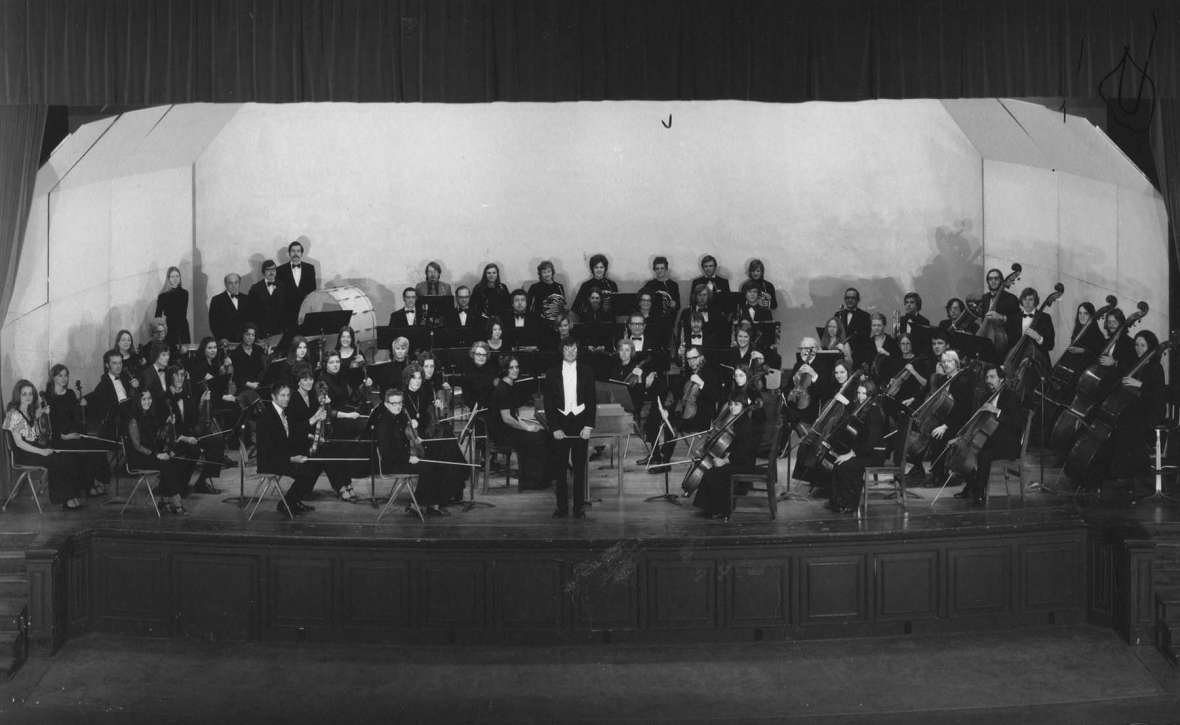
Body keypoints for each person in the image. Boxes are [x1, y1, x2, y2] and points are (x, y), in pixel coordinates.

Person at [952, 365, 1025, 506]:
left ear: (1001, 379)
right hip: (990, 438)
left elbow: (1017, 422)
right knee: (968, 448)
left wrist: (997, 411)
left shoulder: (1011, 396)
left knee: (983, 453)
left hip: (1008, 442)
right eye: (987, 377)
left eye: (992, 377)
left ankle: (979, 492)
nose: (988, 380)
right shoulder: (986, 396)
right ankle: (971, 486)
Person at [373, 388, 451, 516]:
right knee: (428, 468)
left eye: (400, 403)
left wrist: (415, 438)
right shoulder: (384, 424)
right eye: (394, 403)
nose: (398, 406)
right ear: (386, 404)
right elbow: (387, 452)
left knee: (435, 463)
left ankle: (431, 504)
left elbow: (403, 440)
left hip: (401, 458)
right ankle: (417, 505)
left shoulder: (398, 417)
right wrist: (408, 458)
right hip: (393, 464)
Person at [543, 337, 597, 518]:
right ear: (562, 351)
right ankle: (562, 507)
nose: (571, 352)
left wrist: (589, 425)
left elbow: (591, 400)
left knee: (580, 468)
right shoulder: (551, 373)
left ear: (578, 350)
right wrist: (554, 428)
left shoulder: (587, 371)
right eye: (567, 349)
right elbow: (549, 404)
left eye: (574, 349)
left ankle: (579, 507)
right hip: (561, 422)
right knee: (560, 469)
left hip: (580, 422)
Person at [692, 387, 760, 519]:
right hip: (740, 459)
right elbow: (736, 446)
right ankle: (710, 508)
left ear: (744, 405)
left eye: (737, 404)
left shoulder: (745, 424)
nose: (732, 408)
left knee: (714, 472)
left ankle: (721, 509)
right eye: (731, 404)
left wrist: (725, 461)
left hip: (745, 464)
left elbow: (744, 451)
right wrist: (726, 455)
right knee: (712, 469)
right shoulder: (739, 420)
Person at [45, 364, 111, 497]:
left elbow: (75, 418)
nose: (64, 379)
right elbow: (50, 424)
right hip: (61, 437)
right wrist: (65, 436)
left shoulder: (70, 393)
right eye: (60, 376)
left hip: (74, 433)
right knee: (84, 451)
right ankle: (88, 486)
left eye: (66, 375)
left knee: (97, 447)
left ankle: (93, 482)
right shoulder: (48, 397)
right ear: (53, 378)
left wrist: (82, 407)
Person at [125, 388, 193, 515]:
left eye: (149, 398)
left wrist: (167, 425)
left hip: (151, 454)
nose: (147, 402)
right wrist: (157, 455)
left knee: (173, 461)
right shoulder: (134, 420)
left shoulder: (150, 416)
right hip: (139, 457)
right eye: (144, 399)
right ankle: (177, 502)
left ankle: (164, 500)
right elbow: (137, 446)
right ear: (138, 401)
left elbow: (158, 438)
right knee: (166, 464)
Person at [255, 381, 318, 514]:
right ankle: (287, 504)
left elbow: (291, 434)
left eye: (288, 395)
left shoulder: (284, 412)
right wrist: (291, 459)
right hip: (270, 461)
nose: (286, 398)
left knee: (313, 465)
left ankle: (293, 501)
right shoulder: (266, 417)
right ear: (273, 397)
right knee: (307, 472)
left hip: (282, 456)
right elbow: (268, 449)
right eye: (282, 395)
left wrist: (311, 437)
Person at [162, 365, 225, 495]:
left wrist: (202, 404)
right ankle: (180, 485)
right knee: (193, 450)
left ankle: (202, 481)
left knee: (217, 442)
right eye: (176, 375)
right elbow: (166, 428)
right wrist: (186, 438)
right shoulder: (164, 399)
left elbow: (194, 420)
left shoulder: (187, 396)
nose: (180, 378)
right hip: (172, 439)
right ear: (169, 377)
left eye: (182, 375)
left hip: (188, 435)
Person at [490, 355, 549, 490]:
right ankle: (531, 481)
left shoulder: (510, 385)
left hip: (508, 428)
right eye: (511, 368)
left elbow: (513, 415)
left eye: (517, 367)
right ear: (505, 370)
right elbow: (507, 419)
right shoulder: (503, 389)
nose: (515, 370)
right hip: (503, 432)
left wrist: (526, 423)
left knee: (542, 432)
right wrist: (527, 428)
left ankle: (539, 478)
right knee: (538, 436)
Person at [92, 349, 135, 440]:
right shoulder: (102, 387)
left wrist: (136, 387)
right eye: (114, 363)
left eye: (120, 363)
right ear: (107, 365)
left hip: (131, 415)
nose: (118, 366)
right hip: (117, 423)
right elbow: (105, 413)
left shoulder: (126, 378)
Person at [979, 268, 1021, 359]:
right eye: (990, 279)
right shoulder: (984, 298)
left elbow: (1018, 320)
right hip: (986, 338)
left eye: (996, 278)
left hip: (1003, 344)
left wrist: (1002, 317)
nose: (993, 281)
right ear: (988, 282)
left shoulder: (1011, 298)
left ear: (1001, 281)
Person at [276, 239, 317, 332]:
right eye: (293, 251)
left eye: (298, 251)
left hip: (305, 312)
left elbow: (313, 292)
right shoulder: (280, 270)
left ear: (302, 253)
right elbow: (279, 295)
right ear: (289, 254)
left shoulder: (310, 268)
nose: (296, 253)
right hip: (287, 314)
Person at [247, 260, 287, 339]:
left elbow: (285, 309)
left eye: (273, 269)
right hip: (261, 332)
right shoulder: (255, 288)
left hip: (279, 331)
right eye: (268, 270)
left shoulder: (282, 286)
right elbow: (251, 313)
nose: (271, 272)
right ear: (263, 272)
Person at [572, 254, 618, 319]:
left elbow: (617, 307)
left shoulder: (612, 285)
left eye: (601, 267)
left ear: (605, 268)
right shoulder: (585, 285)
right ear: (592, 269)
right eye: (596, 267)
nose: (599, 270)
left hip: (607, 321)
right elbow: (576, 307)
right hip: (588, 322)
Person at [155, 266, 191, 346]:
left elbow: (181, 312)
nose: (175, 279)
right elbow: (158, 314)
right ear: (168, 278)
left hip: (183, 327)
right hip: (169, 328)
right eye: (172, 276)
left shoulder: (185, 293)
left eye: (177, 276)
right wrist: (162, 326)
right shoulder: (162, 295)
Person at [209, 273, 250, 343]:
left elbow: (250, 320)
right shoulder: (217, 300)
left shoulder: (247, 299)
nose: (234, 286)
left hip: (244, 341)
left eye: (236, 282)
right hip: (225, 341)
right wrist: (221, 338)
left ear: (239, 283)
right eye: (230, 283)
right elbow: (213, 322)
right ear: (225, 284)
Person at [837, 288, 872, 366]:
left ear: (858, 300)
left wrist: (847, 346)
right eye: (847, 298)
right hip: (839, 357)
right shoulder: (838, 315)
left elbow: (865, 338)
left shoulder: (865, 316)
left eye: (853, 298)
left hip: (857, 358)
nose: (850, 300)